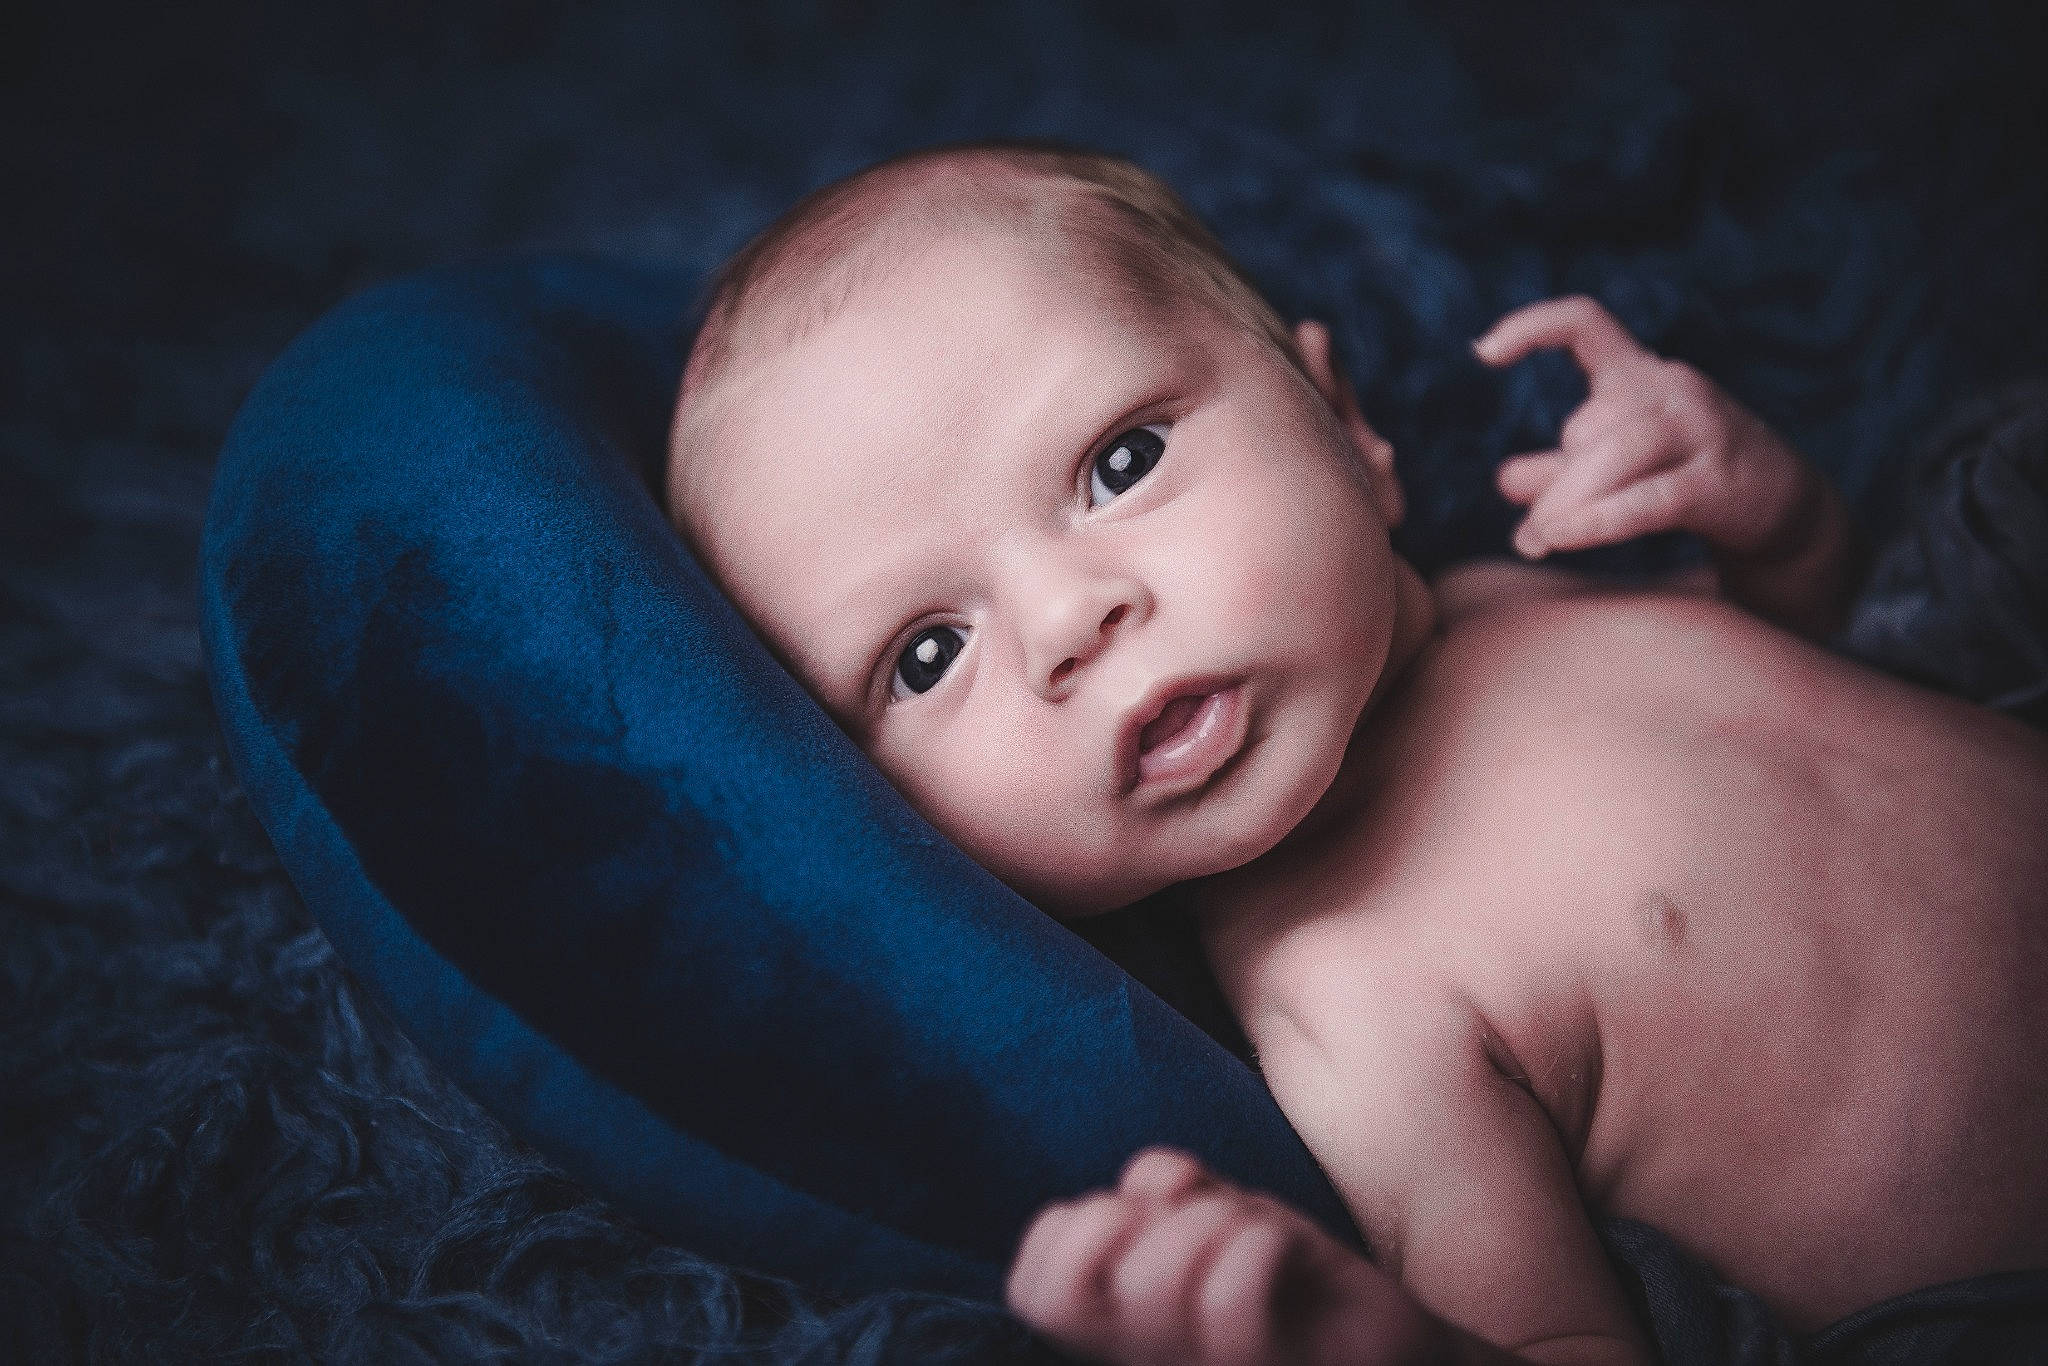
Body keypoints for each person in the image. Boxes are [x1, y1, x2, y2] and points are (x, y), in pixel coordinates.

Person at [663, 141, 2048, 1365]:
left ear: (1347, 426)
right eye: (925, 655)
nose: (1068, 621)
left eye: (1122, 462)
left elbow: (1841, 703)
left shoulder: (1525, 586)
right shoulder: (1353, 1001)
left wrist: (1781, 529)